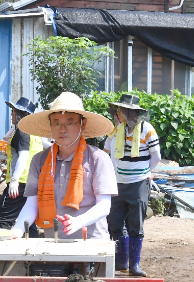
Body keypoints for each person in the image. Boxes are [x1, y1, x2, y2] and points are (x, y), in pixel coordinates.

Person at [11, 92, 116, 240]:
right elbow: (32, 204)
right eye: (56, 123)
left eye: (70, 122)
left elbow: (105, 205)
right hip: (53, 243)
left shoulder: (98, 158)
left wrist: (79, 221)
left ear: (82, 124)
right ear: (50, 125)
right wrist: (17, 229)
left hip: (92, 244)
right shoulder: (39, 160)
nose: (62, 129)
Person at [105, 94, 161, 277]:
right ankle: (121, 261)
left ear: (127, 112)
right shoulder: (117, 130)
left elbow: (156, 157)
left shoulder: (147, 130)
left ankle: (134, 265)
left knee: (136, 223)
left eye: (119, 110)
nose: (116, 114)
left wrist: (144, 173)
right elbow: (107, 152)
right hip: (119, 183)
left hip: (138, 183)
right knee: (114, 222)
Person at [0, 97, 44, 236]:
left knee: (3, 219)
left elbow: (23, 156)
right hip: (32, 182)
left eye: (13, 111)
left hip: (21, 183)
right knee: (29, 219)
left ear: (21, 115)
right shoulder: (34, 133)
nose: (12, 114)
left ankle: (2, 253)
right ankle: (34, 253)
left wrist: (14, 179)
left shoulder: (22, 132)